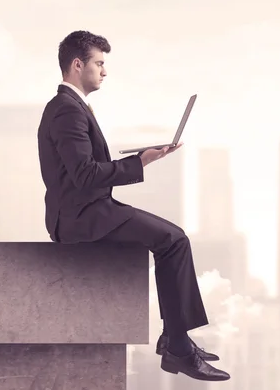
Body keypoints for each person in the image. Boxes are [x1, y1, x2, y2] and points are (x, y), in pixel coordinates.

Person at [37, 30, 230, 382]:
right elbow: (84, 174)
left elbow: (83, 169)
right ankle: (178, 348)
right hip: (82, 217)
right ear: (77, 65)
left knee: (171, 239)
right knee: (174, 240)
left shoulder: (69, 107)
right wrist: (140, 162)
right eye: (99, 63)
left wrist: (144, 158)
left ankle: (175, 337)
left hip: (88, 209)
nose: (104, 71)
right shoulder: (67, 110)